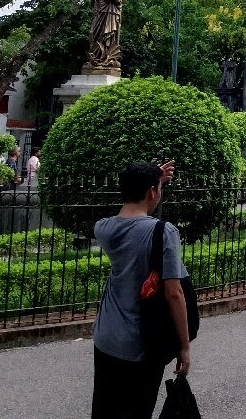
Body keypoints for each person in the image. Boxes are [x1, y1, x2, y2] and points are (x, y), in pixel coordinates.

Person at [91, 161, 190, 419]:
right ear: (152, 193)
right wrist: (184, 346)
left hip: (106, 337)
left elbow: (128, 215)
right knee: (136, 410)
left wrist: (150, 181)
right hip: (142, 342)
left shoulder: (104, 228)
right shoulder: (164, 231)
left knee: (105, 410)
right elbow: (173, 292)